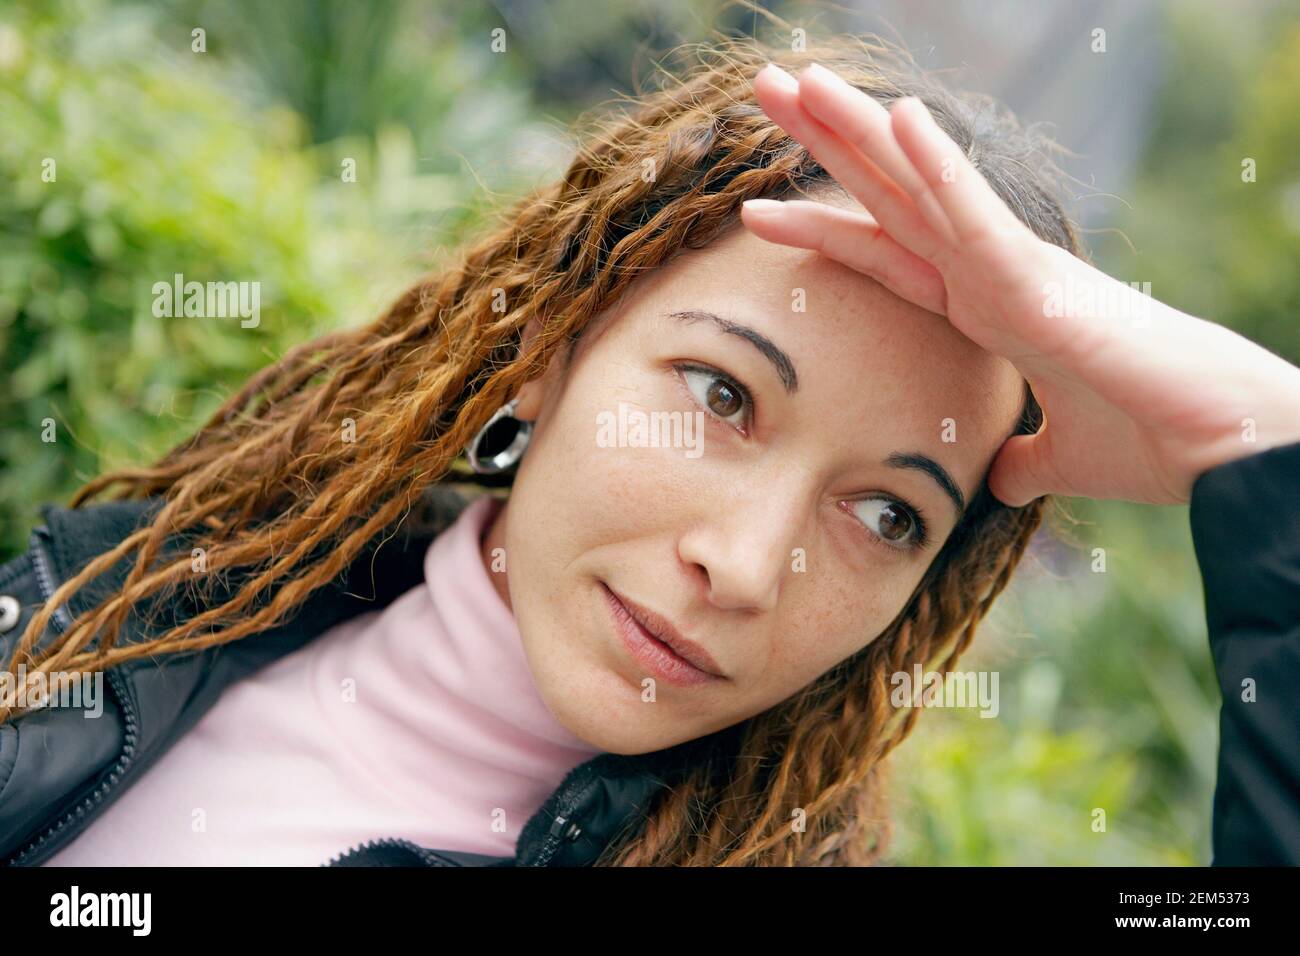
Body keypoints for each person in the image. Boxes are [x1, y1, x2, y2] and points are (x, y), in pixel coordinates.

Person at [0, 35, 1297, 867]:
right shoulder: (139, 603)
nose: (746, 567)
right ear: (553, 345)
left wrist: (1266, 443)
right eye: (724, 395)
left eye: (888, 515)